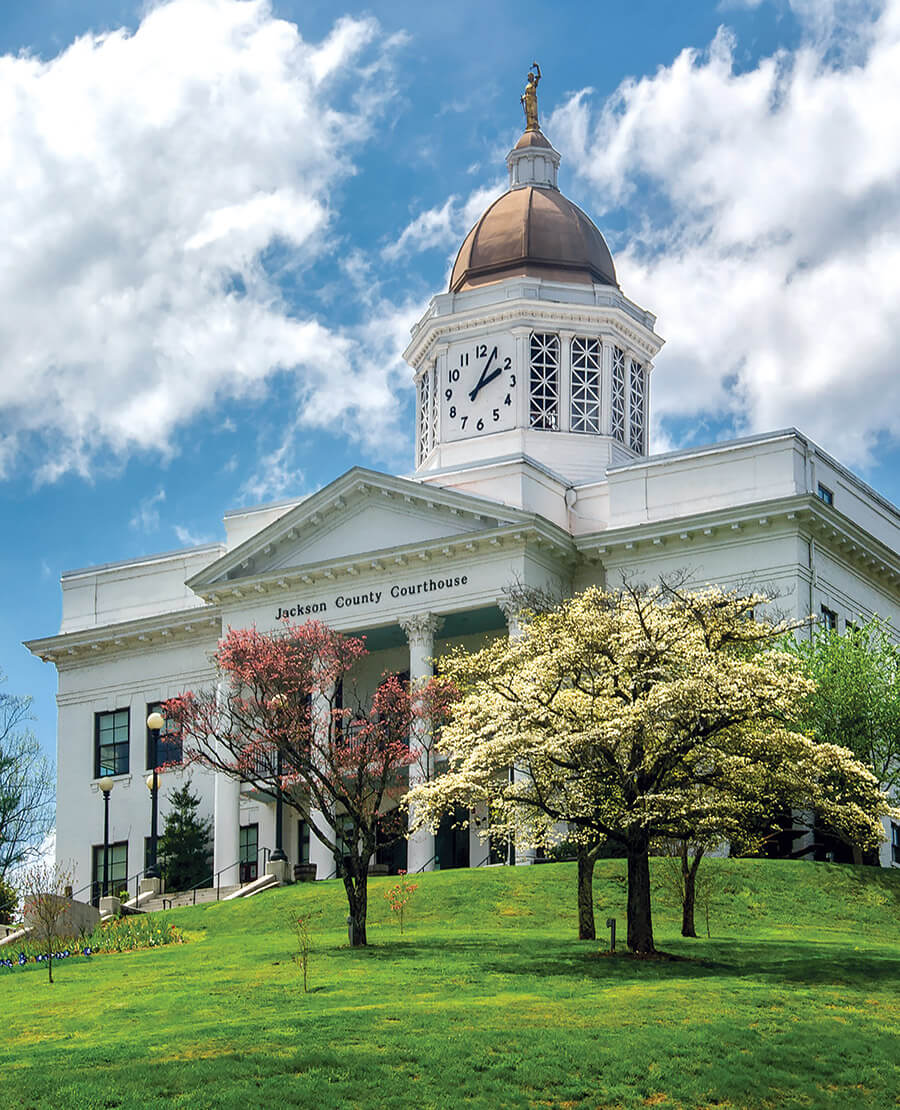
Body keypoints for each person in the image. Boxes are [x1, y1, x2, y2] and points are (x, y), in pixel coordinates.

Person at [521, 62, 542, 131]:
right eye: (529, 77)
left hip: (532, 99)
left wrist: (537, 67)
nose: (530, 77)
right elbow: (526, 93)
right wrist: (523, 98)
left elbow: (539, 76)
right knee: (528, 113)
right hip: (527, 99)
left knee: (533, 112)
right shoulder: (527, 86)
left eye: (530, 76)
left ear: (532, 77)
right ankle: (529, 125)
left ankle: (534, 124)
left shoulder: (534, 83)